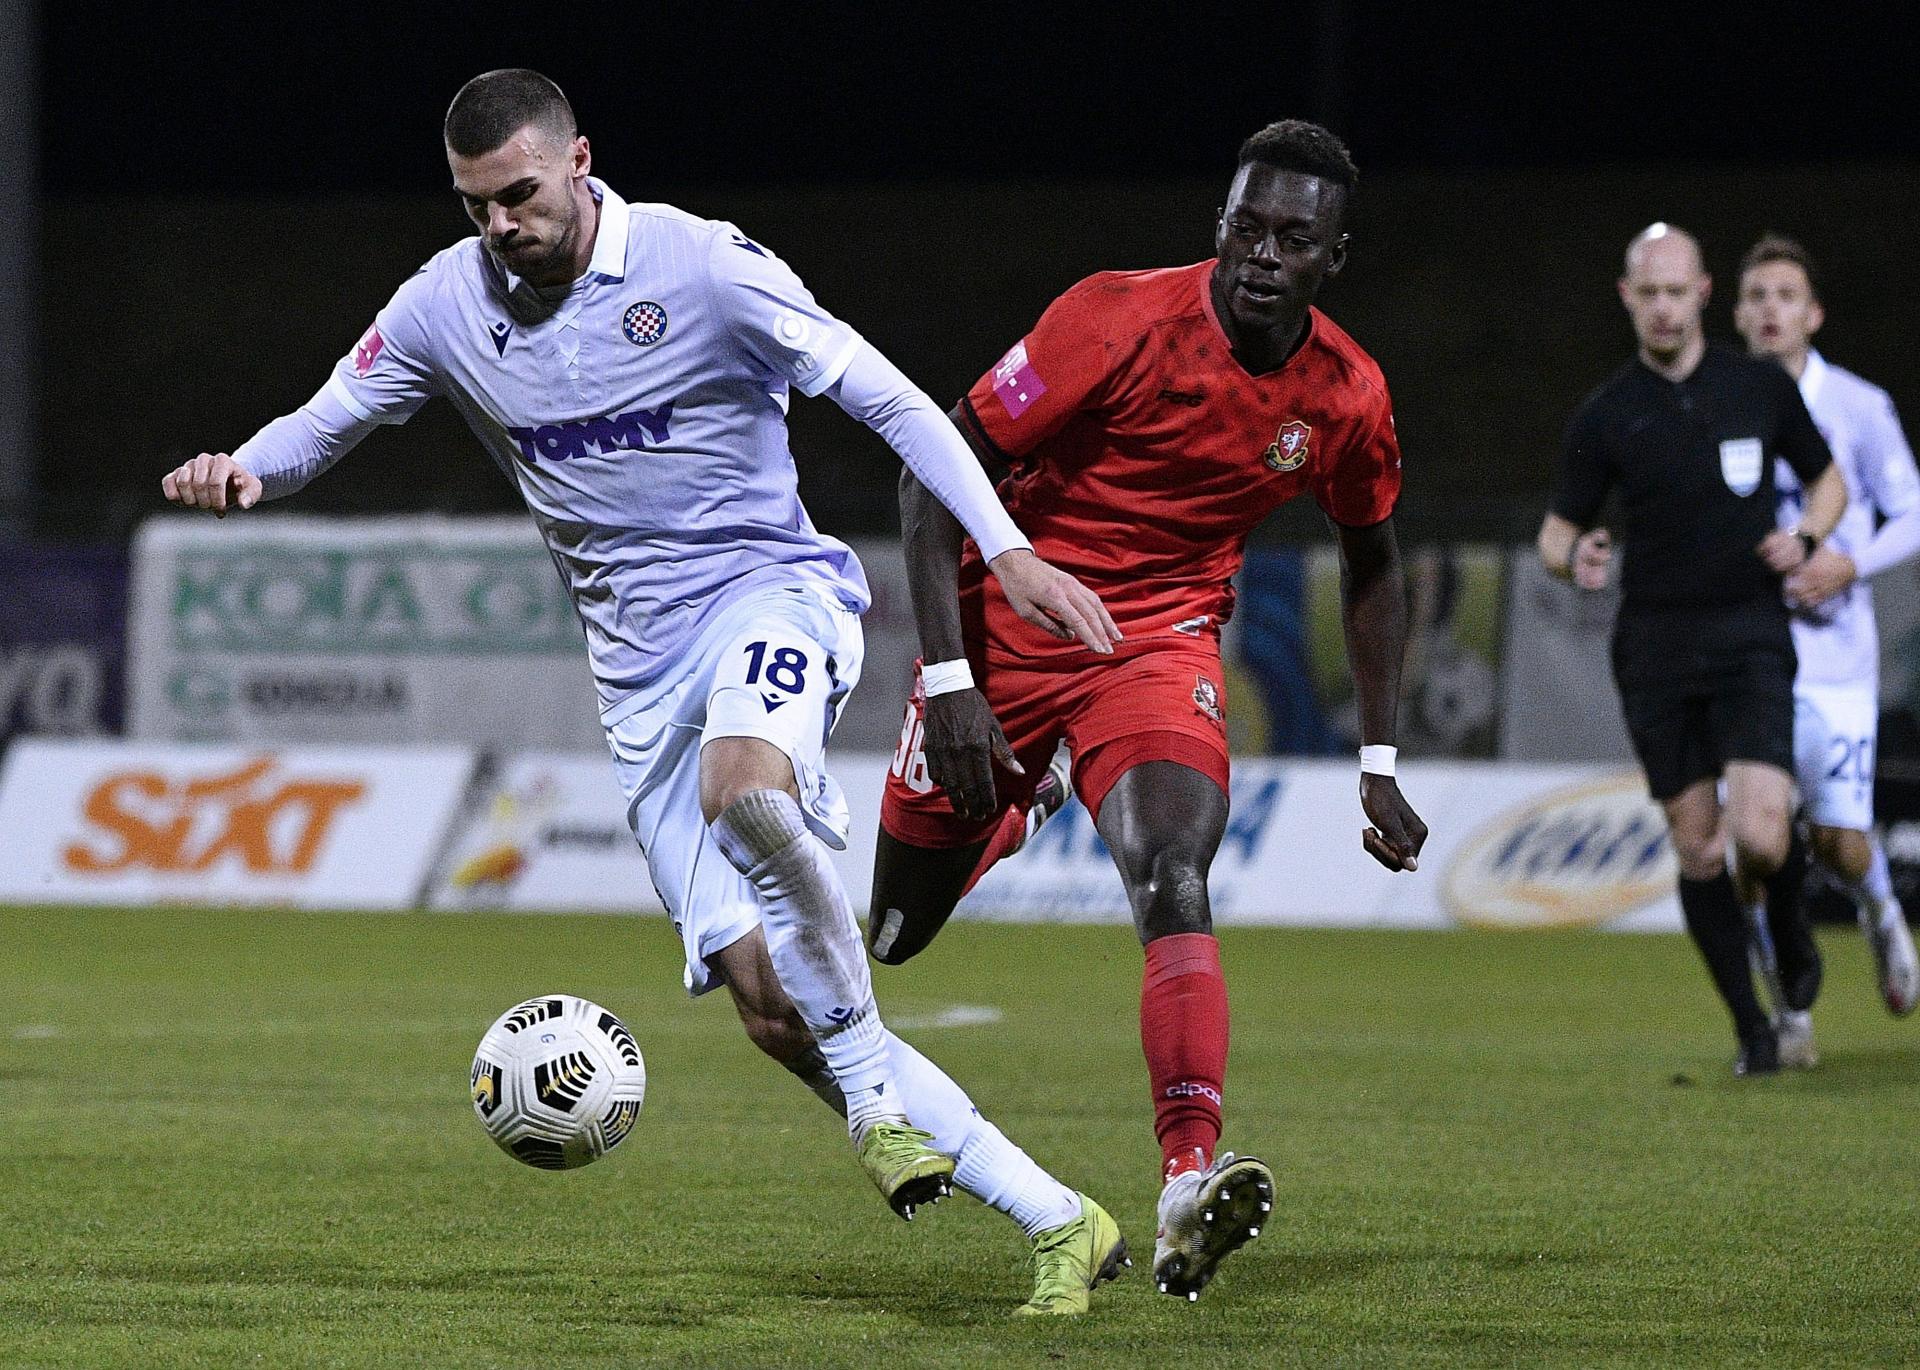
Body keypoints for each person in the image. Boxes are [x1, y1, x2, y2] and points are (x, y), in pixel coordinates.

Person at [159, 69, 1131, 1316]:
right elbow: (327, 418)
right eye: (475, 206)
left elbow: (886, 395)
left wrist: (1005, 549)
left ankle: (880, 1109)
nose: (500, 225)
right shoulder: (447, 304)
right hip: (635, 680)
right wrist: (244, 471)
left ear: (578, 163)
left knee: (748, 788)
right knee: (774, 1010)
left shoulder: (704, 267)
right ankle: (1061, 1216)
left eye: (518, 194)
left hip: (770, 596)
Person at [866, 120, 1428, 1301]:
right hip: (1009, 614)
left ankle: (1186, 1176)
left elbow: (1371, 558)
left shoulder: (1347, 394)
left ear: (1335, 256)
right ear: (1220, 221)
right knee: (893, 934)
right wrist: (953, 678)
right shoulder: (1115, 317)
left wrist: (1379, 751)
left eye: (1295, 237)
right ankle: (1014, 807)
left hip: (1157, 639)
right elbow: (931, 467)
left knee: (1174, 866)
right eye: (1247, 225)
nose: (1263, 254)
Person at [1538, 223, 1847, 1076]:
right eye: (1650, 293)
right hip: (1656, 651)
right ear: (1627, 297)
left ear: (1705, 293)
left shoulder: (1757, 388)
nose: (1665, 308)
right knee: (1700, 847)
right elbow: (1555, 535)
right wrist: (1580, 557)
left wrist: (1811, 535)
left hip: (1751, 635)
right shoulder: (1607, 414)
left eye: (1679, 292)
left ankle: (1788, 940)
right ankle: (1752, 1028)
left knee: (1765, 838)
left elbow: (1829, 479)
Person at [1733, 232, 1920, 1052]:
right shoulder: (1719, 400)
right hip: (1743, 655)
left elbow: (1913, 512)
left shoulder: (1858, 407)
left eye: (1785, 296)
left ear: (1813, 313)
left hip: (1835, 658)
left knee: (1840, 843)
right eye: (1757, 296)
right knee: (1753, 843)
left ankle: (1878, 906)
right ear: (1737, 313)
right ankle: (1791, 1013)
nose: (1770, 309)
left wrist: (1848, 564)